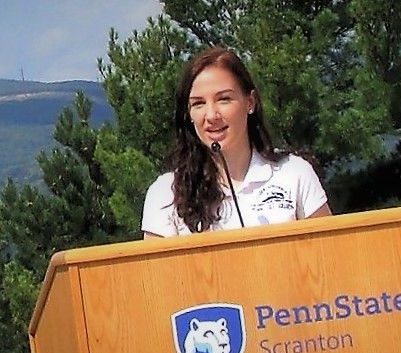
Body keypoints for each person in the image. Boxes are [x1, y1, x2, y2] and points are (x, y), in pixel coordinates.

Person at [141, 47, 331, 238]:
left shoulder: (294, 173)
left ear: (250, 102)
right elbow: (156, 268)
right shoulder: (164, 193)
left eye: (224, 99)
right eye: (198, 103)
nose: (211, 115)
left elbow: (330, 256)